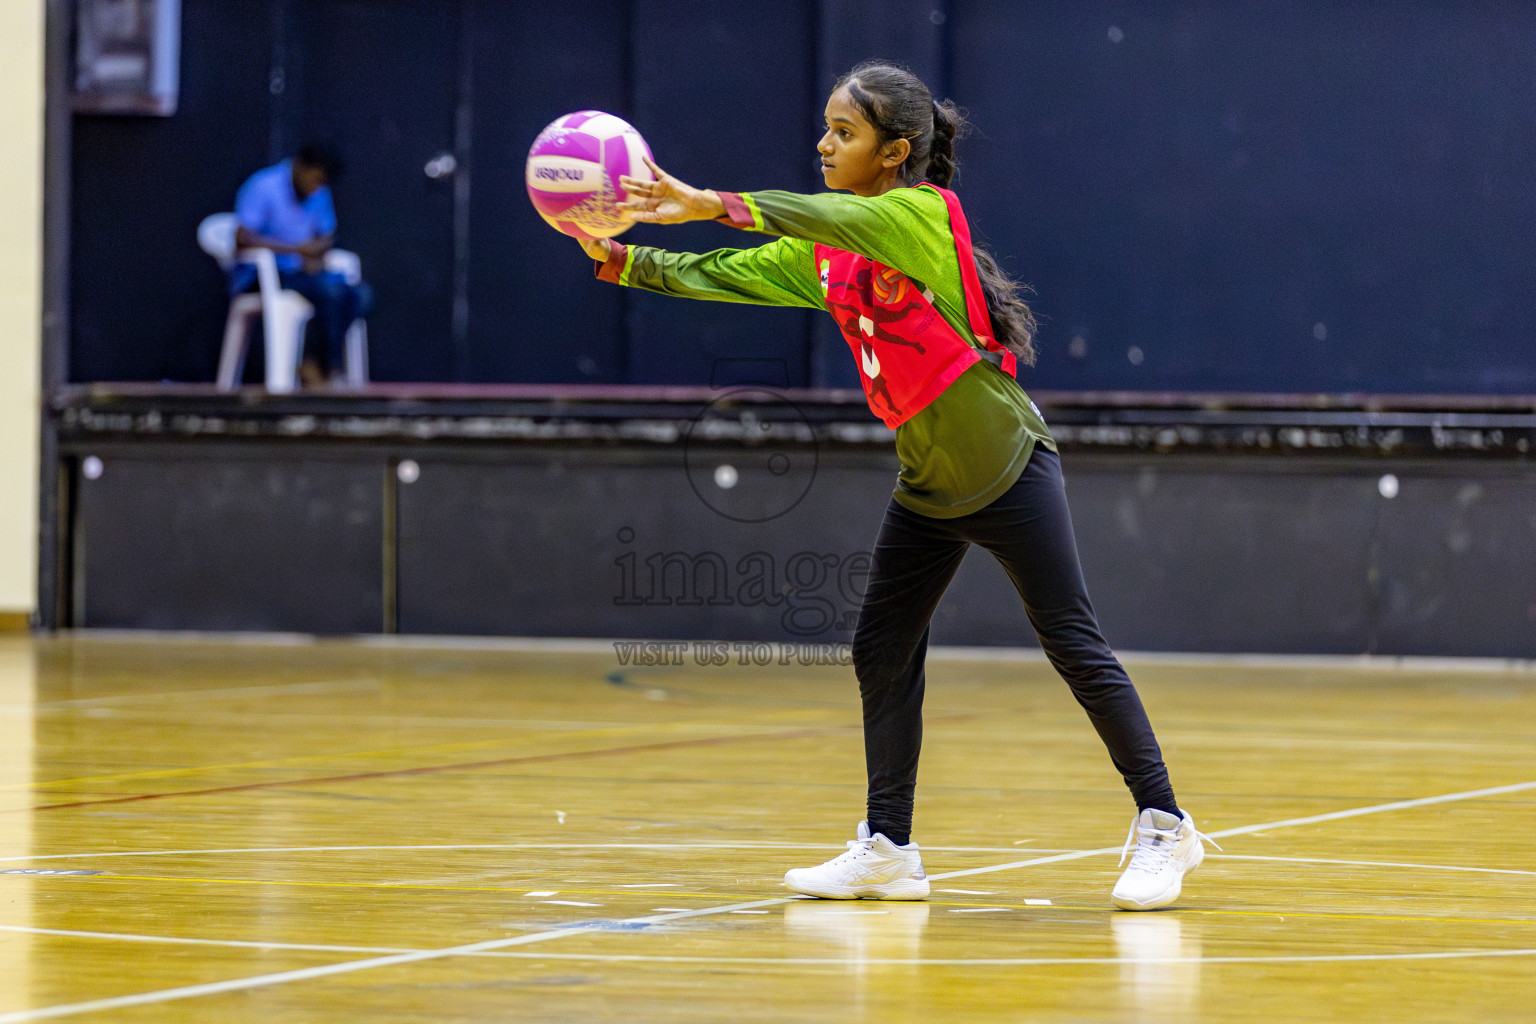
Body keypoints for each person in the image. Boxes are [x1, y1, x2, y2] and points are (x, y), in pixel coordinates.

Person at [582, 61, 1213, 911]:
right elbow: (732, 273)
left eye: (845, 131)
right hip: (928, 483)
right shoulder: (832, 262)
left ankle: (1166, 827)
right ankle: (889, 848)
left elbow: (829, 214)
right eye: (827, 127)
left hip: (1006, 466)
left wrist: (711, 202)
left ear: (896, 152)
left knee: (1074, 644)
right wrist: (621, 257)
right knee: (881, 649)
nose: (824, 143)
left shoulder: (921, 215)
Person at [232, 145, 374, 386]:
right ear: (300, 166)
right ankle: (327, 369)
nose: (316, 187)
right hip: (261, 275)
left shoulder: (319, 192)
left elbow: (325, 235)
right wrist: (296, 250)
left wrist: (316, 256)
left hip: (302, 274)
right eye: (315, 179)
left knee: (359, 294)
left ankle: (315, 363)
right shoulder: (264, 185)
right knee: (330, 292)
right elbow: (242, 239)